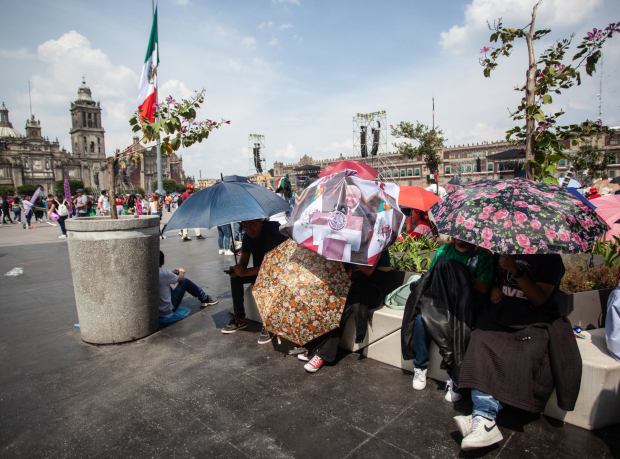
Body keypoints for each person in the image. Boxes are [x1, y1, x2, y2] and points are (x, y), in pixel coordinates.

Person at [454, 253, 580, 451]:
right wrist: (495, 288)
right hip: (504, 313)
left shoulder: (551, 260)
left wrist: (516, 270)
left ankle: (482, 416)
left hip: (535, 318)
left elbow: (539, 299)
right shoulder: (504, 253)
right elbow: (496, 281)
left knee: (524, 351)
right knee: (480, 339)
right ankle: (483, 417)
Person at [411, 238, 494, 401]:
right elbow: (431, 276)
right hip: (440, 301)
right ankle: (420, 366)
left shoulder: (483, 255)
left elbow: (483, 287)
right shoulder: (444, 251)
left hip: (466, 307)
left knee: (460, 330)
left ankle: (454, 377)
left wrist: (459, 274)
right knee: (422, 320)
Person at [300, 248, 395, 373]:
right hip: (358, 281)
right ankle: (315, 346)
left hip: (376, 283)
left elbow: (368, 271)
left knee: (344, 305)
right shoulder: (352, 238)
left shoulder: (376, 239)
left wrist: (349, 254)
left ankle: (322, 355)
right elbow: (349, 273)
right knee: (329, 298)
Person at [222, 219, 287, 342]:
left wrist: (245, 272)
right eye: (245, 227)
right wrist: (239, 268)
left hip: (279, 272)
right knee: (236, 279)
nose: (249, 230)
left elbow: (271, 266)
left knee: (267, 281)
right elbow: (244, 261)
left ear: (260, 222)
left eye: (252, 225)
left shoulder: (271, 235)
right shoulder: (248, 236)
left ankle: (270, 323)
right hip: (262, 271)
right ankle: (240, 318)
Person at [158, 251, 218, 320]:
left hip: (157, 311)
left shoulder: (154, 274)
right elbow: (181, 279)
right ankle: (205, 298)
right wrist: (181, 272)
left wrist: (171, 273)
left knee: (166, 286)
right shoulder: (165, 274)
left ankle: (205, 298)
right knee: (185, 281)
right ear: (163, 262)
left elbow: (164, 278)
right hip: (167, 311)